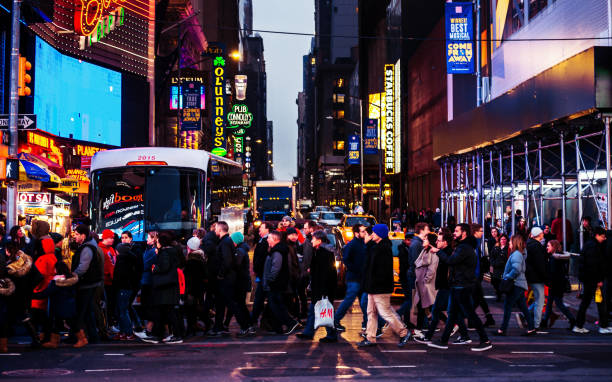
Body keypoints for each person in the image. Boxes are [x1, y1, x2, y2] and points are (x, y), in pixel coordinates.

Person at [428, 224, 492, 351]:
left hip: (462, 285)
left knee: (469, 314)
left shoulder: (464, 248)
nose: (454, 233)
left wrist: (438, 251)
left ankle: (485, 340)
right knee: (452, 314)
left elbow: (451, 261)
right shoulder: (462, 247)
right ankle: (443, 340)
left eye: (457, 231)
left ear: (464, 233)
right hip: (457, 285)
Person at [358, 224, 410, 348]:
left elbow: (381, 271)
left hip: (379, 287)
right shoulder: (377, 247)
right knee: (371, 312)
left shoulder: (383, 249)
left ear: (380, 234)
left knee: (385, 312)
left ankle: (404, 332)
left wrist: (373, 284)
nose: (372, 234)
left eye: (374, 233)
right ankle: (370, 337)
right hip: (373, 286)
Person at [414, 231, 470, 344]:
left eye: (439, 240)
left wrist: (438, 252)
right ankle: (464, 335)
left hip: (447, 287)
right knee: (452, 312)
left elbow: (447, 264)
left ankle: (430, 337)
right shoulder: (443, 251)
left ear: (445, 242)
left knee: (437, 311)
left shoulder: (448, 252)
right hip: (445, 286)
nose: (436, 242)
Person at [296, 230, 338, 342]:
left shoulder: (323, 253)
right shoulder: (319, 251)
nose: (311, 241)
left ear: (319, 240)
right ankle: (309, 332)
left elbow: (326, 273)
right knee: (316, 310)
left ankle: (331, 334)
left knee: (324, 310)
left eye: (313, 239)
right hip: (321, 288)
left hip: (322, 288)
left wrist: (324, 290)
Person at [71, 224, 104, 348]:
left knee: (80, 312)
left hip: (86, 283)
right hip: (90, 283)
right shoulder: (89, 246)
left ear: (83, 235)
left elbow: (83, 267)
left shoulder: (86, 248)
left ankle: (79, 337)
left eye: (77, 234)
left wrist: (72, 276)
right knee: (88, 312)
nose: (75, 237)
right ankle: (93, 336)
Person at [31, 260, 78, 349]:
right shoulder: (72, 280)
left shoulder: (56, 282)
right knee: (71, 323)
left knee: (56, 323)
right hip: (70, 306)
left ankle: (54, 342)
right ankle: (81, 339)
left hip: (58, 306)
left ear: (57, 269)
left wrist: (33, 295)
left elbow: (46, 293)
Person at [147, 231, 182, 344]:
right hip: (170, 286)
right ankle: (162, 334)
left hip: (165, 287)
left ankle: (174, 335)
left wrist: (155, 268)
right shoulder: (173, 251)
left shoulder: (165, 253)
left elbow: (164, 267)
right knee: (167, 311)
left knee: (168, 311)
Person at [496, 234, 536, 336]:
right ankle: (531, 327)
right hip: (519, 283)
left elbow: (516, 269)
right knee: (523, 307)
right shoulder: (519, 253)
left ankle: (502, 329)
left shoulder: (517, 254)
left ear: (514, 243)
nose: (508, 243)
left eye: (510, 242)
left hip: (516, 284)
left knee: (507, 306)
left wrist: (507, 277)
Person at [263, 230, 301, 335]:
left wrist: (270, 280)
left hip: (276, 284)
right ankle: (278, 327)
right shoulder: (276, 250)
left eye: (269, 238)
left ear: (275, 239)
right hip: (277, 283)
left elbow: (275, 268)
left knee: (276, 306)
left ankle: (290, 323)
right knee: (275, 306)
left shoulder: (277, 252)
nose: (267, 239)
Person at [573, 227, 611, 334]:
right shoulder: (593, 247)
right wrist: (598, 279)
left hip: (589, 279)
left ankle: (581, 325)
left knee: (589, 302)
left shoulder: (590, 245)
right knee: (596, 302)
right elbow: (593, 265)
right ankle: (601, 326)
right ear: (597, 235)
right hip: (592, 279)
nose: (604, 238)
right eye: (603, 236)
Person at [334, 224, 368, 332]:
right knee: (349, 301)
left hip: (361, 278)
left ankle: (367, 323)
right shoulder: (352, 245)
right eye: (362, 231)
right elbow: (346, 259)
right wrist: (356, 269)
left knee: (364, 302)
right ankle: (335, 320)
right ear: (356, 233)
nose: (364, 233)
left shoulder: (363, 243)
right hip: (353, 278)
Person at [398, 222, 429, 327]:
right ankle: (397, 316)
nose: (428, 231)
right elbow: (417, 262)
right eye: (427, 229)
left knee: (419, 302)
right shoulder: (416, 244)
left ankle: (422, 324)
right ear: (422, 230)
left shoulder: (417, 243)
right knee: (412, 301)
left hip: (416, 276)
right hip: (415, 276)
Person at [541, 240, 575, 329]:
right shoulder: (559, 257)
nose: (547, 247)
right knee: (549, 303)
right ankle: (544, 321)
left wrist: (548, 281)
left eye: (548, 246)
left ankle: (572, 320)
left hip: (556, 285)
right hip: (557, 284)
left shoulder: (554, 259)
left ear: (554, 247)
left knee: (559, 303)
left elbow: (553, 273)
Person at [410, 233, 439, 331]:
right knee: (426, 306)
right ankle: (422, 327)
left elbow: (432, 269)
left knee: (425, 306)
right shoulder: (424, 251)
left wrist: (426, 281)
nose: (423, 240)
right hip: (421, 283)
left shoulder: (433, 253)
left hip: (426, 284)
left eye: (425, 239)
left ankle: (419, 328)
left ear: (430, 241)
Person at [112, 243, 139, 340]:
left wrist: (114, 284)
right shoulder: (130, 259)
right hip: (127, 287)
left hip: (123, 287)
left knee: (122, 310)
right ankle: (123, 332)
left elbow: (119, 275)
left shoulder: (122, 260)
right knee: (121, 310)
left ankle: (128, 332)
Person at [470, 224, 495, 328]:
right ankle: (487, 318)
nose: (482, 233)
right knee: (477, 298)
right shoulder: (473, 242)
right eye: (480, 231)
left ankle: (486, 319)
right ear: (475, 232)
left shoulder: (476, 242)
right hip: (474, 275)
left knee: (477, 298)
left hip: (476, 275)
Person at [231, 232, 255, 337]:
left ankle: (245, 327)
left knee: (239, 306)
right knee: (241, 305)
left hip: (240, 282)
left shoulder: (240, 251)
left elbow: (236, 265)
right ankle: (249, 326)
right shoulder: (242, 249)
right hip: (243, 281)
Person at [183, 236, 208, 337]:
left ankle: (192, 328)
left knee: (191, 310)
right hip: (199, 288)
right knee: (196, 308)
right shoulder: (201, 258)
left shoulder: (191, 261)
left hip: (191, 288)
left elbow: (188, 277)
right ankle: (203, 324)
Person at [135, 231, 158, 339]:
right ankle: (149, 328)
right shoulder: (149, 250)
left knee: (147, 305)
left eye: (149, 237)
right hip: (145, 280)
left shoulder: (152, 251)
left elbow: (145, 265)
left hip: (147, 280)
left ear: (154, 239)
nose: (147, 239)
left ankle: (149, 329)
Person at [250, 222, 273, 327]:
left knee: (261, 298)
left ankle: (255, 319)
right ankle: (261, 319)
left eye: (261, 228)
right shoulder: (262, 240)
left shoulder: (266, 241)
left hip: (264, 275)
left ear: (267, 230)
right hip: (262, 274)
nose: (259, 230)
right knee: (262, 298)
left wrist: (258, 270)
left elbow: (262, 259)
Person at [526, 226, 548, 330]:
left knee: (537, 299)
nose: (543, 235)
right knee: (540, 300)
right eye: (542, 233)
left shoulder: (528, 244)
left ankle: (528, 316)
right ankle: (536, 324)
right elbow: (540, 264)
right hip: (537, 277)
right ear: (539, 235)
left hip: (530, 276)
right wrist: (545, 277)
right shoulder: (537, 247)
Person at [98, 229, 117, 331]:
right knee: (106, 304)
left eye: (113, 238)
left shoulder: (111, 249)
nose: (113, 240)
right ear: (105, 238)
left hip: (112, 281)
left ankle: (110, 323)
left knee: (111, 304)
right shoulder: (101, 249)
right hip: (105, 281)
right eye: (111, 238)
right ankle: (107, 325)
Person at [489, 234, 509, 302]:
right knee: (496, 283)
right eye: (502, 239)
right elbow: (491, 257)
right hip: (496, 268)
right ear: (499, 240)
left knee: (503, 282)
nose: (503, 241)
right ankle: (499, 295)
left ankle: (503, 295)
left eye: (504, 239)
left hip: (504, 268)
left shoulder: (508, 248)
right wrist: (493, 264)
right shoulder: (495, 248)